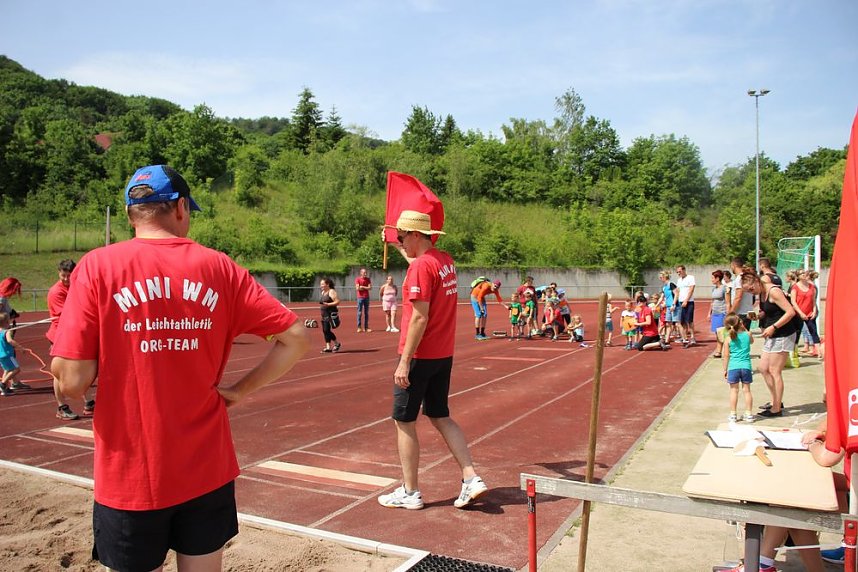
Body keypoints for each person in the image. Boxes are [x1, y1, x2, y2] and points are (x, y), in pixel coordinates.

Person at [50, 164, 309, 572]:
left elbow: (73, 383)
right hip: (206, 465)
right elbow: (295, 337)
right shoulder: (219, 267)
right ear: (181, 208)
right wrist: (239, 391)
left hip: (131, 474)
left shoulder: (97, 267)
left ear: (131, 214)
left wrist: (64, 375)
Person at [378, 209, 487, 510]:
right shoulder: (444, 261)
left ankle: (410, 492)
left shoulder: (421, 269)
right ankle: (471, 477)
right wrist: (397, 246)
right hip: (443, 354)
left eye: (402, 236)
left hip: (420, 356)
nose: (400, 240)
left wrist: (404, 361)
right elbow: (420, 264)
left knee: (404, 421)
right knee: (440, 415)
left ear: (414, 234)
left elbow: (418, 318)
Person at [739, 266, 800, 418]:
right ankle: (776, 400)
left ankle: (777, 408)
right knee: (763, 368)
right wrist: (759, 316)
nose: (751, 293)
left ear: (756, 283)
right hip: (772, 333)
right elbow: (770, 310)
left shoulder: (773, 291)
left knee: (774, 370)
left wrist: (773, 326)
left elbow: (791, 312)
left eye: (751, 290)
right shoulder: (762, 292)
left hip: (783, 333)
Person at [46, 259, 95, 420]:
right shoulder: (56, 292)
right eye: (63, 275)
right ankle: (62, 406)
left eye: (69, 275)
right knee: (60, 373)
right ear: (59, 273)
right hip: (61, 335)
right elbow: (69, 314)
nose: (66, 279)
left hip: (76, 334)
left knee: (80, 369)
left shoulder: (75, 287)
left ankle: (88, 402)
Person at [721, 313, 754, 422]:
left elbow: (726, 355)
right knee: (747, 391)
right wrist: (744, 328)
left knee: (733, 391)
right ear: (740, 323)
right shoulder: (747, 335)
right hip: (746, 366)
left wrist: (725, 369)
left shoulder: (728, 338)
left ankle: (733, 414)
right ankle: (749, 413)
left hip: (733, 367)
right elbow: (752, 341)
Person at [791, 269, 821, 357]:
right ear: (798, 276)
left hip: (810, 313)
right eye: (802, 273)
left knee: (813, 331)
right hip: (798, 313)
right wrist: (800, 313)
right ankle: (794, 352)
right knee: (797, 332)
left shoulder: (812, 287)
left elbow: (813, 300)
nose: (804, 274)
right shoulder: (795, 287)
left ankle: (819, 352)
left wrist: (814, 311)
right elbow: (793, 302)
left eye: (805, 273)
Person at [0, 313, 24, 396]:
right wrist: (20, 347)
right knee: (16, 369)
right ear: (7, 322)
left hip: (1, 355)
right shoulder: (7, 331)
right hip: (8, 355)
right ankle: (3, 384)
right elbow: (10, 340)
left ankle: (4, 388)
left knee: (7, 370)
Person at [729, 257, 755, 330]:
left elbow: (738, 297)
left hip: (741, 313)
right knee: (745, 337)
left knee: (740, 338)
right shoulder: (747, 277)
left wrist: (731, 312)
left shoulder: (740, 278)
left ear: (733, 265)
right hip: (748, 311)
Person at [675, 265, 697, 347]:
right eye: (677, 272)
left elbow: (691, 289)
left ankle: (693, 337)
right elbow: (678, 291)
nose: (678, 273)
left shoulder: (690, 278)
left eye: (680, 271)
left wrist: (686, 300)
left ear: (684, 270)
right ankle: (684, 338)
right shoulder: (679, 280)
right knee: (682, 321)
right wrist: (676, 302)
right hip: (681, 302)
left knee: (689, 321)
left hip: (689, 302)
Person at [708, 270, 728, 358]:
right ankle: (719, 350)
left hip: (722, 312)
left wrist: (727, 313)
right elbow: (712, 302)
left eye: (713, 278)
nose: (711, 279)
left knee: (721, 332)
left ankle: (720, 351)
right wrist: (709, 313)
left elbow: (727, 302)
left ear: (718, 278)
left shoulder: (724, 288)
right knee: (717, 333)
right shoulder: (714, 289)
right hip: (715, 313)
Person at [319, 277, 342, 353]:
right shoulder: (323, 292)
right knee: (325, 331)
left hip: (330, 314)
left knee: (326, 330)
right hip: (324, 314)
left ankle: (336, 344)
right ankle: (329, 346)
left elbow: (337, 301)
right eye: (320, 284)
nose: (321, 286)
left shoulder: (331, 291)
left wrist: (328, 304)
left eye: (322, 284)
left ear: (327, 284)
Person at [656, 271, 679, 344]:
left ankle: (684, 339)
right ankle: (666, 340)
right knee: (668, 324)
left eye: (660, 277)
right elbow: (661, 297)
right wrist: (656, 306)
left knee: (678, 324)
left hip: (674, 306)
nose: (660, 279)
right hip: (668, 307)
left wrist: (673, 304)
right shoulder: (664, 287)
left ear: (664, 277)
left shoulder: (671, 284)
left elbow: (676, 294)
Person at [355, 268, 372, 333]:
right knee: (359, 312)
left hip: (366, 297)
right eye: (364, 272)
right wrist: (364, 288)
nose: (365, 274)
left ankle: (366, 327)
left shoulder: (368, 279)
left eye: (366, 272)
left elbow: (370, 287)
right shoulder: (358, 279)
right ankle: (359, 327)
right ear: (361, 273)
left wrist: (363, 287)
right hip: (360, 297)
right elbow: (357, 288)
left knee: (366, 313)